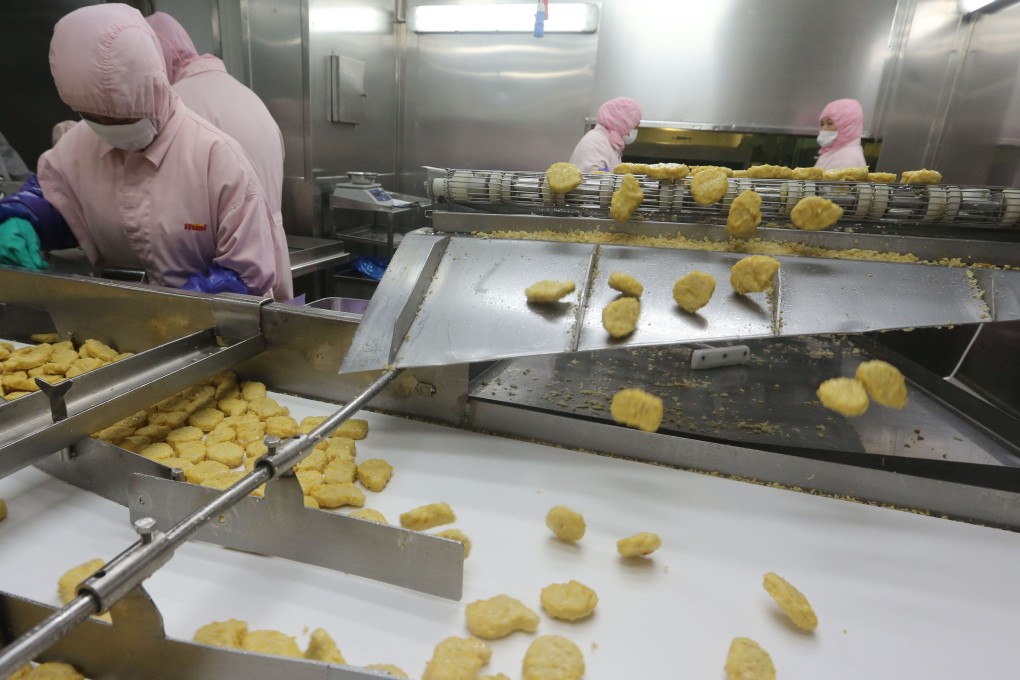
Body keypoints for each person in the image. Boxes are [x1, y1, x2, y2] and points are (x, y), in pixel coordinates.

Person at [0, 4, 292, 300]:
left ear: (153, 87)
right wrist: (26, 217)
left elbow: (245, 272)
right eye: (93, 117)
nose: (108, 129)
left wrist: (177, 307)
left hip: (207, 324)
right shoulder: (79, 145)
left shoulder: (215, 156)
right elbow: (58, 199)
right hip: (117, 316)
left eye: (123, 118)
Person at [568, 97, 642, 173]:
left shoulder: (610, 143)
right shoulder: (596, 141)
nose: (632, 132)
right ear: (622, 123)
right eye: (634, 126)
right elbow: (595, 174)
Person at [814, 98, 867, 171]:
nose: (824, 128)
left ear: (847, 125)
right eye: (822, 124)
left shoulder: (847, 159)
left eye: (830, 123)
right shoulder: (835, 151)